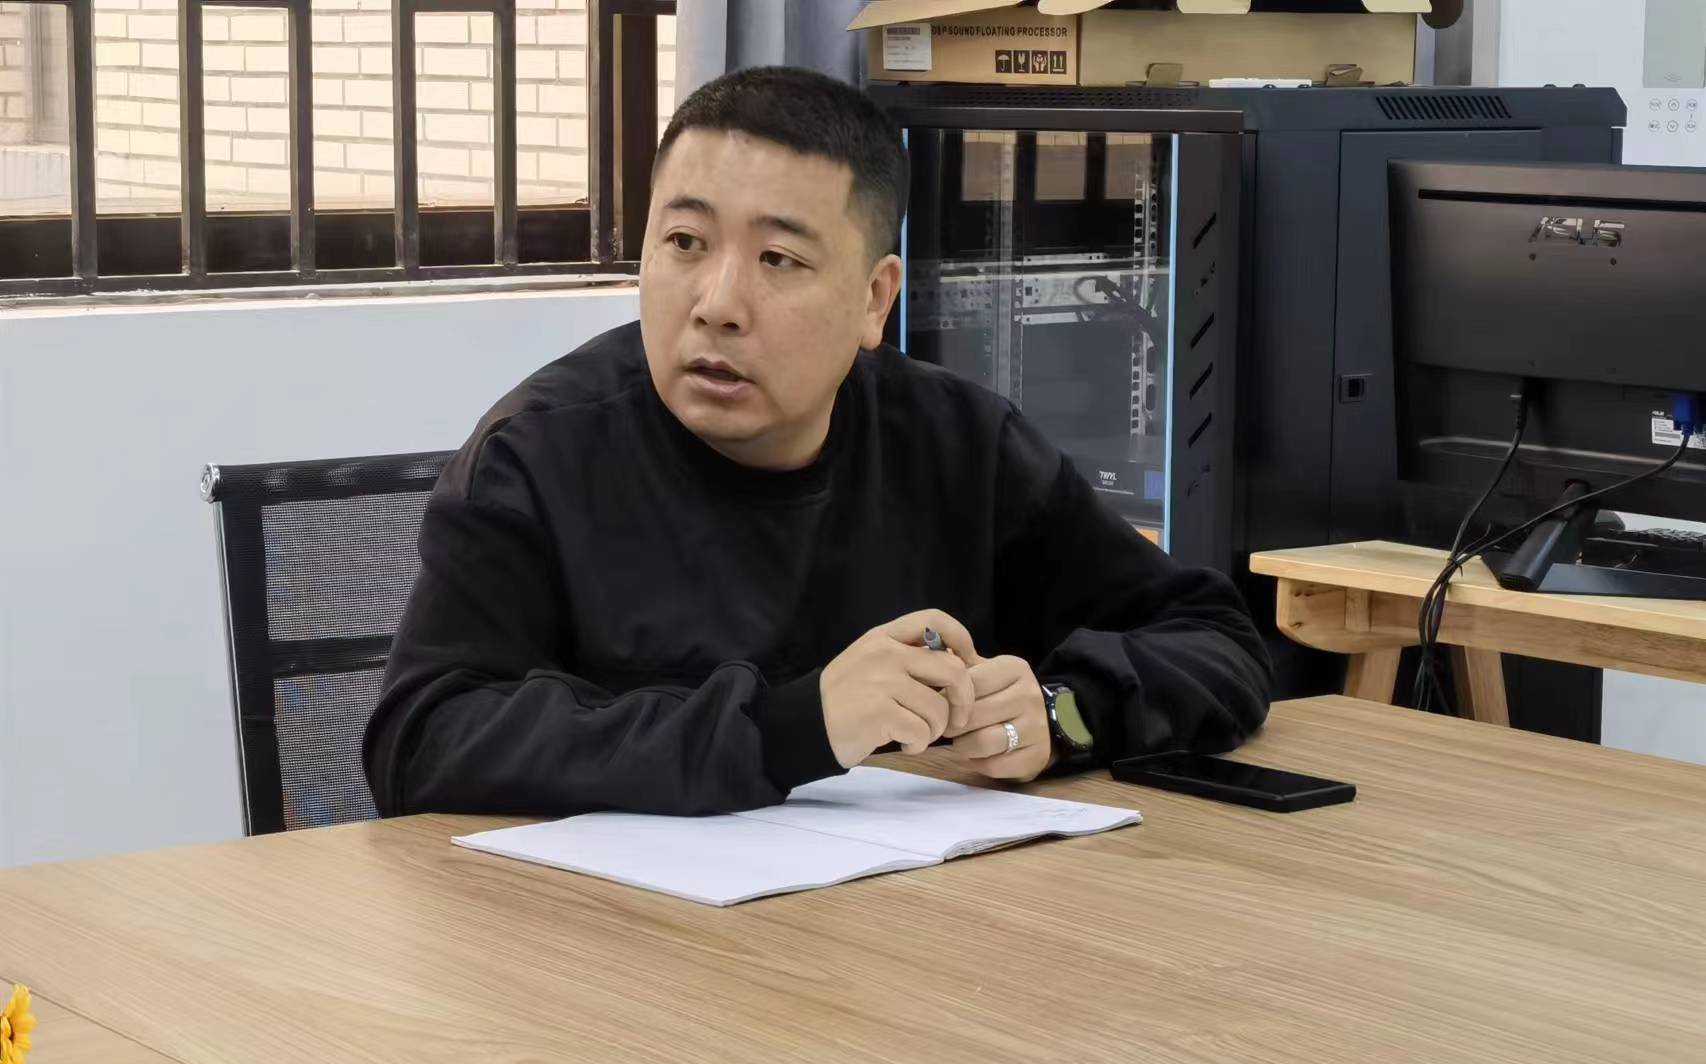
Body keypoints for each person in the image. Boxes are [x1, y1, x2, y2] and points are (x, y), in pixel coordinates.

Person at [363, 66, 1271, 819]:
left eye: (778, 260)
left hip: (902, 936)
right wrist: (792, 728)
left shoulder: (959, 445)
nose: (718, 303)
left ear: (875, 300)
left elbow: (1216, 638)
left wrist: (1063, 713)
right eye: (684, 241)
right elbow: (421, 741)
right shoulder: (539, 455)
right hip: (612, 946)